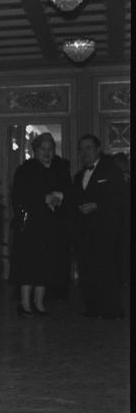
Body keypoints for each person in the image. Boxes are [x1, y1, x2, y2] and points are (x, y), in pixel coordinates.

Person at [8, 132, 71, 315]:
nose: (47, 153)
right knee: (28, 266)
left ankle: (39, 303)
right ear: (35, 150)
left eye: (50, 149)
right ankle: (25, 303)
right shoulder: (25, 170)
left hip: (52, 226)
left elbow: (69, 192)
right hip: (30, 227)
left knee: (46, 265)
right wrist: (44, 198)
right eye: (43, 149)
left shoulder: (60, 169)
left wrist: (60, 197)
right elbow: (19, 196)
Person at [70, 134, 126, 318]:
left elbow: (120, 199)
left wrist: (98, 206)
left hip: (106, 231)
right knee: (87, 271)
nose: (85, 152)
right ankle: (92, 308)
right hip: (85, 233)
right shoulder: (78, 177)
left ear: (97, 149)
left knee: (107, 270)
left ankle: (111, 309)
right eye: (82, 149)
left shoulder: (111, 171)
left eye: (88, 147)